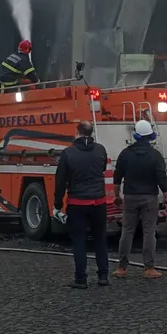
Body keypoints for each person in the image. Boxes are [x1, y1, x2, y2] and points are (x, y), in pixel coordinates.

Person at [53, 122, 110, 288]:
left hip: (77, 203)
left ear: (76, 132)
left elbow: (60, 181)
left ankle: (81, 279)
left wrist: (57, 204)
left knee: (79, 241)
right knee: (100, 239)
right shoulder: (100, 150)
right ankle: (103, 276)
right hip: (99, 202)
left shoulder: (68, 153)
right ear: (91, 133)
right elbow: (102, 169)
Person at [112, 120, 167, 279]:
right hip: (150, 198)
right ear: (151, 136)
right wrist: (166, 196)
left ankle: (121, 268)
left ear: (136, 135)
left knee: (127, 231)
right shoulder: (155, 155)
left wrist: (117, 196)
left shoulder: (125, 154)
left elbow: (117, 177)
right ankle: (149, 268)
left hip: (130, 197)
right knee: (149, 232)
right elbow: (161, 177)